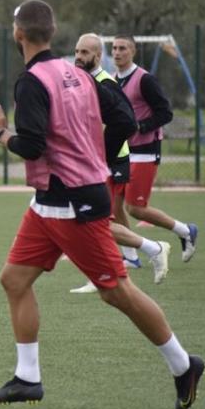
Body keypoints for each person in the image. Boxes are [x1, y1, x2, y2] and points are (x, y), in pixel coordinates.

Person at [0, 0, 204, 409]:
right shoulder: (78, 73)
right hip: (51, 200)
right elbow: (125, 120)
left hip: (71, 202)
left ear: (18, 34)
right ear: (52, 31)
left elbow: (31, 145)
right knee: (14, 279)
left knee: (117, 291)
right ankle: (28, 378)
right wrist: (92, 154)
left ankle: (183, 364)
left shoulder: (32, 80)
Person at [70, 33, 170, 293]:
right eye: (77, 52)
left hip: (110, 161)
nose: (79, 57)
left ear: (97, 56)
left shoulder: (104, 83)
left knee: (96, 222)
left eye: (85, 53)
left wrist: (102, 154)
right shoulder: (82, 82)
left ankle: (151, 249)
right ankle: (131, 258)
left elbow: (125, 122)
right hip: (93, 163)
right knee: (94, 220)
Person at [111, 35, 198, 262]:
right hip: (123, 152)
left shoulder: (144, 79)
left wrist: (141, 126)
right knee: (113, 205)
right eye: (114, 48)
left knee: (136, 209)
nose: (117, 52)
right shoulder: (113, 79)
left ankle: (186, 231)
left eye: (123, 48)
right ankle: (130, 257)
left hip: (145, 150)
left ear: (133, 51)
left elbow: (165, 112)